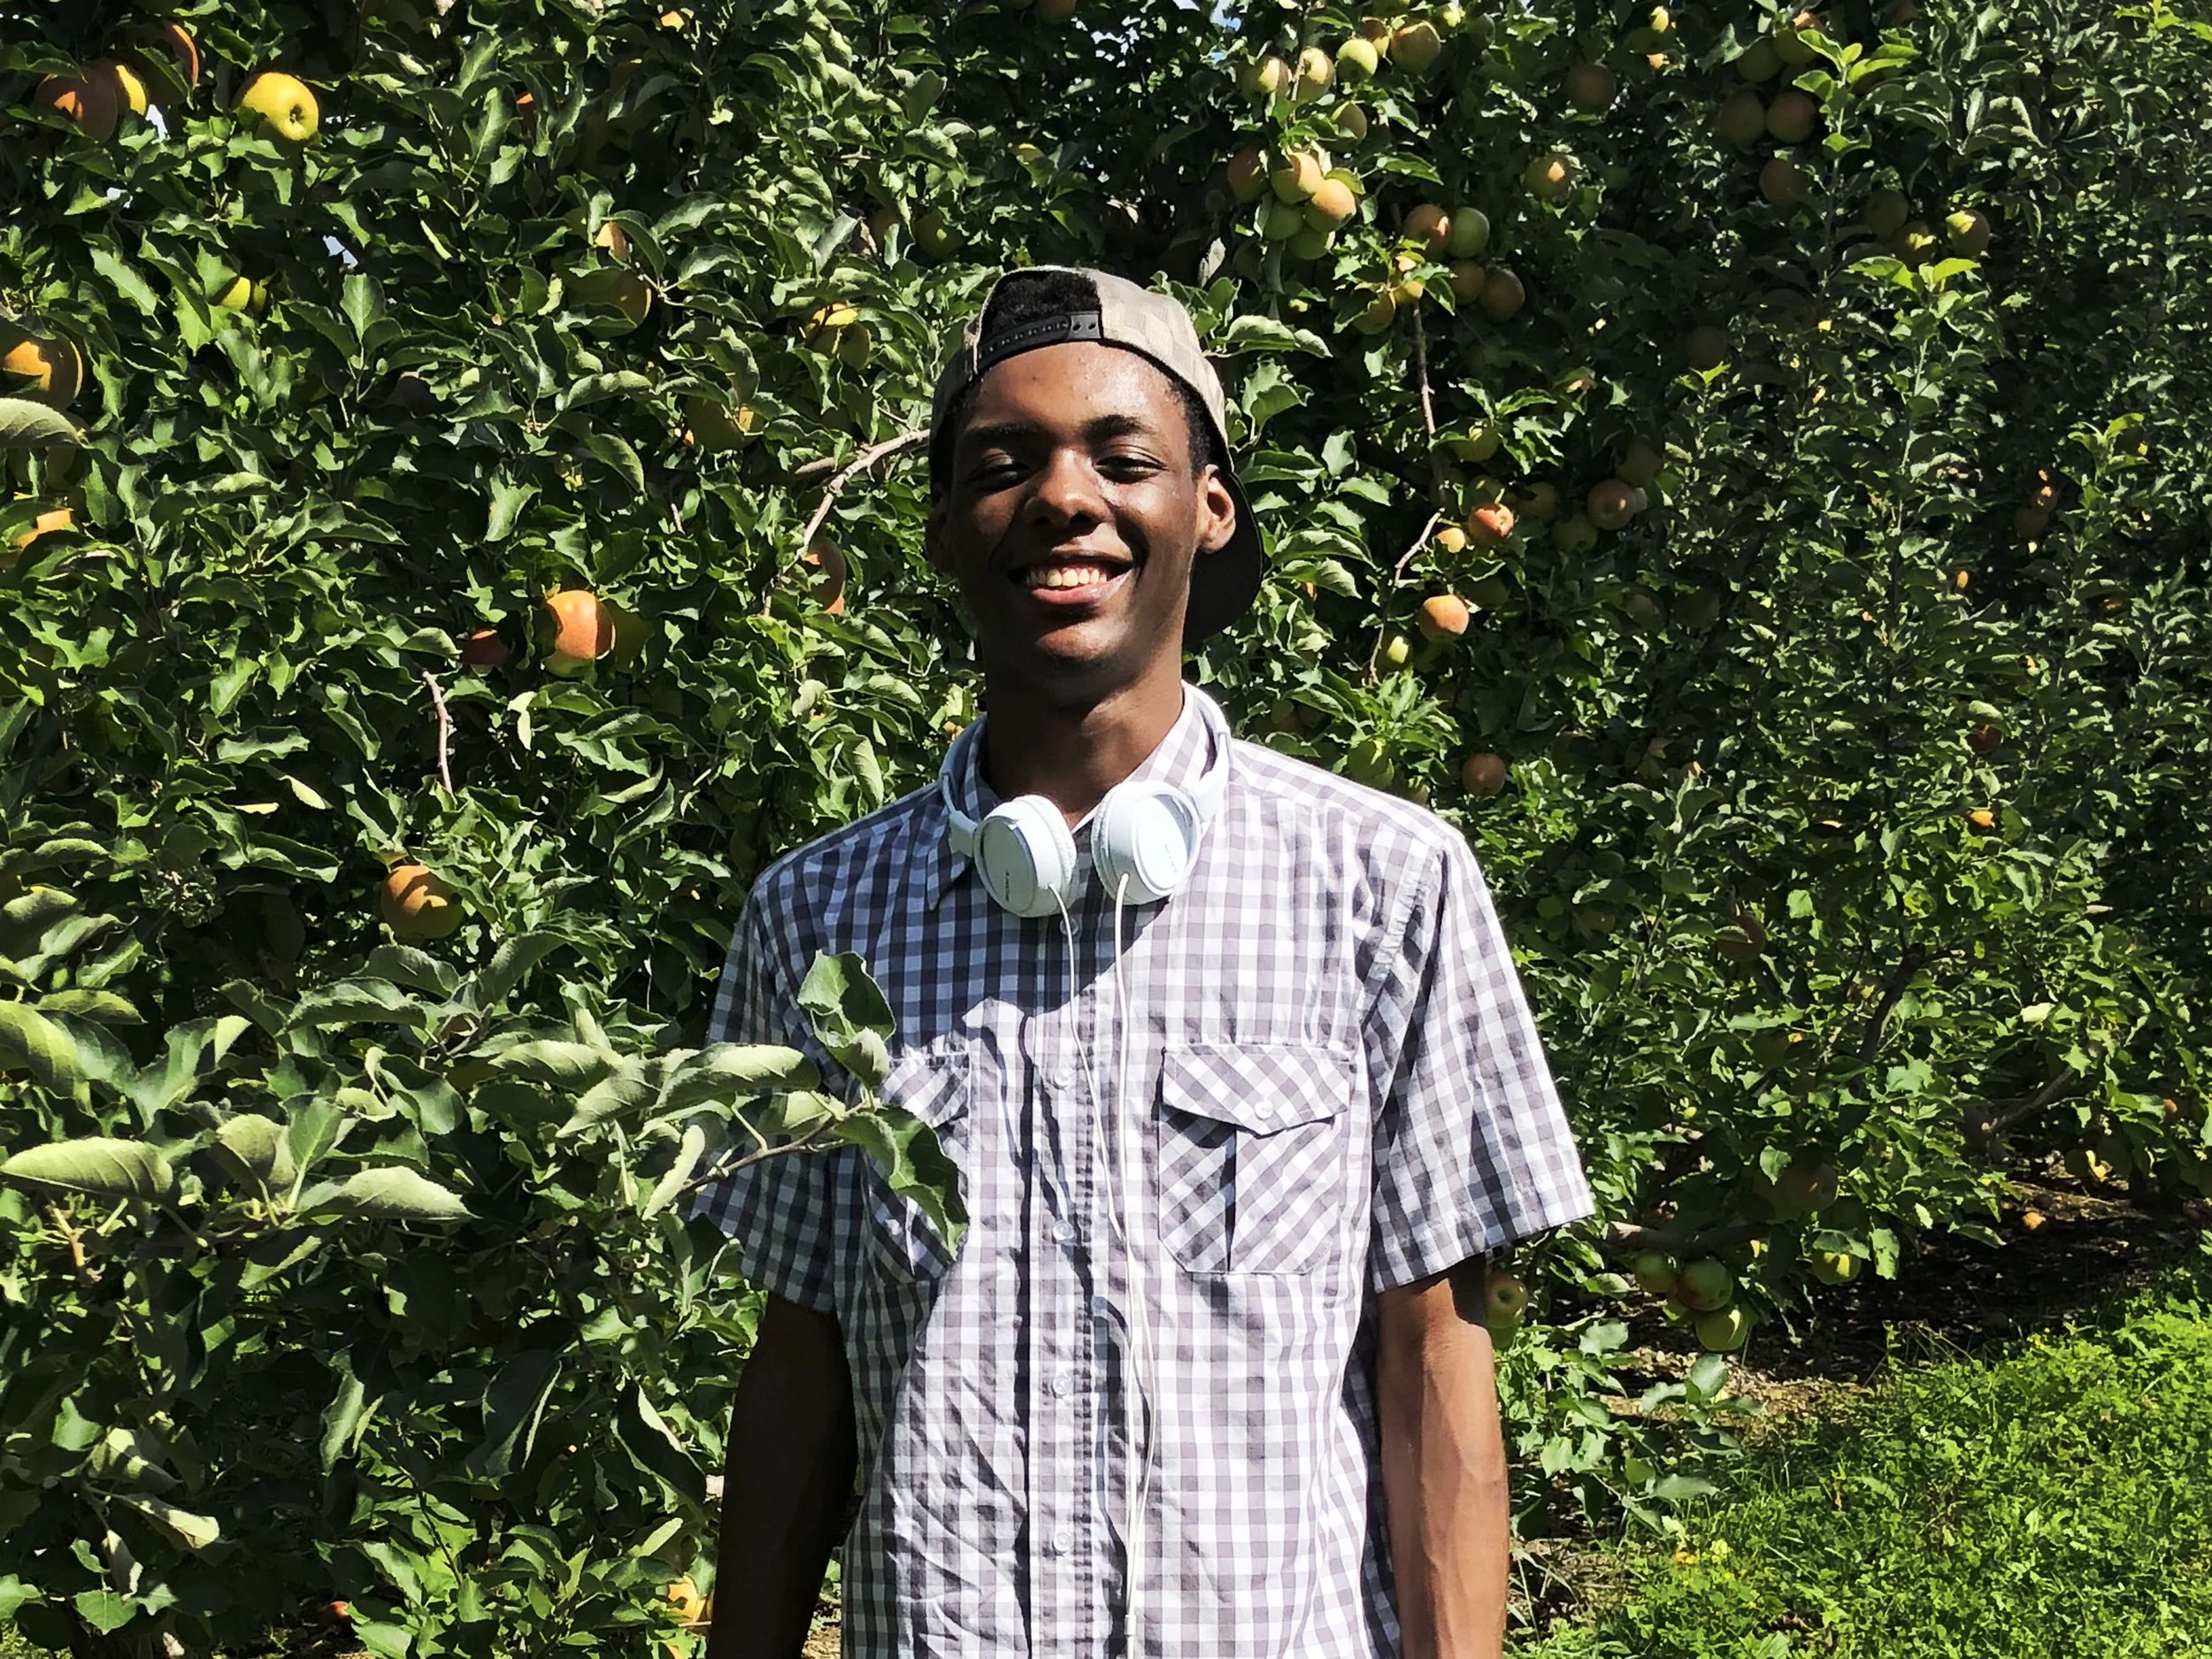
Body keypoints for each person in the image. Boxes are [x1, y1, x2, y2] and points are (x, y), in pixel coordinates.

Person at [693, 265, 1597, 1659]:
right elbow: (799, 1368)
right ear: (944, 523)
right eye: (1004, 462)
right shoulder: (813, 920)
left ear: (1208, 509)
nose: (1065, 497)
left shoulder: (1384, 885)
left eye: (1124, 456)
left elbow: (1435, 1363)